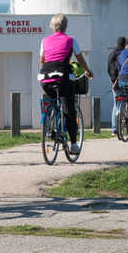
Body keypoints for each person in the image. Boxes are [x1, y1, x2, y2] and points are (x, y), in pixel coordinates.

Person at [39, 13, 94, 153]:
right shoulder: (70, 40)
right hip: (63, 78)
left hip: (45, 78)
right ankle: (74, 144)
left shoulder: (44, 41)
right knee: (69, 110)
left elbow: (42, 61)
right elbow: (80, 59)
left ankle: (51, 124)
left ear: (52, 26)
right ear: (65, 26)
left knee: (52, 99)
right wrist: (88, 71)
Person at [107, 36, 127, 135]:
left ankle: (114, 129)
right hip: (123, 81)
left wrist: (112, 80)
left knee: (115, 105)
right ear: (125, 44)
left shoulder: (111, 54)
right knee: (125, 100)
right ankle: (125, 122)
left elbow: (108, 69)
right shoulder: (125, 54)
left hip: (113, 82)